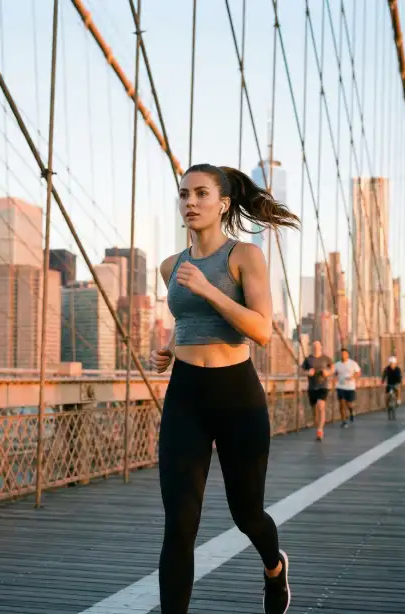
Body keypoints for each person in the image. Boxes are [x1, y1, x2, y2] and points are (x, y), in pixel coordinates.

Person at [150, 163, 299, 614]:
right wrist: (170, 348)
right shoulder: (170, 266)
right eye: (184, 194)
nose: (190, 202)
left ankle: (275, 568)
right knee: (180, 524)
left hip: (237, 396)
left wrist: (211, 291)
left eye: (200, 193)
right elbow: (190, 322)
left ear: (223, 204)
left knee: (247, 514)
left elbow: (261, 331)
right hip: (185, 397)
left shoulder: (245, 256)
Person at [302, 341, 333, 441]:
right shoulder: (308, 359)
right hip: (312, 387)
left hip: (322, 386)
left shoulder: (326, 358)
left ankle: (320, 430)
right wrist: (307, 372)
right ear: (312, 347)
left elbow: (332, 368)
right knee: (314, 411)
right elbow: (301, 370)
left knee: (321, 406)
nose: (316, 348)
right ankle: (317, 425)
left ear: (321, 347)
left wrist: (327, 373)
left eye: (318, 346)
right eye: (314, 346)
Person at [333, 348, 362, 428]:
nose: (343, 355)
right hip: (340, 386)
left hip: (350, 387)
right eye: (342, 354)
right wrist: (335, 376)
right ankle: (344, 421)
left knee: (349, 404)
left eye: (345, 353)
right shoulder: (337, 364)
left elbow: (358, 372)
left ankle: (351, 411)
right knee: (341, 404)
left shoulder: (353, 363)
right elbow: (334, 373)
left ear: (347, 354)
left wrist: (353, 377)